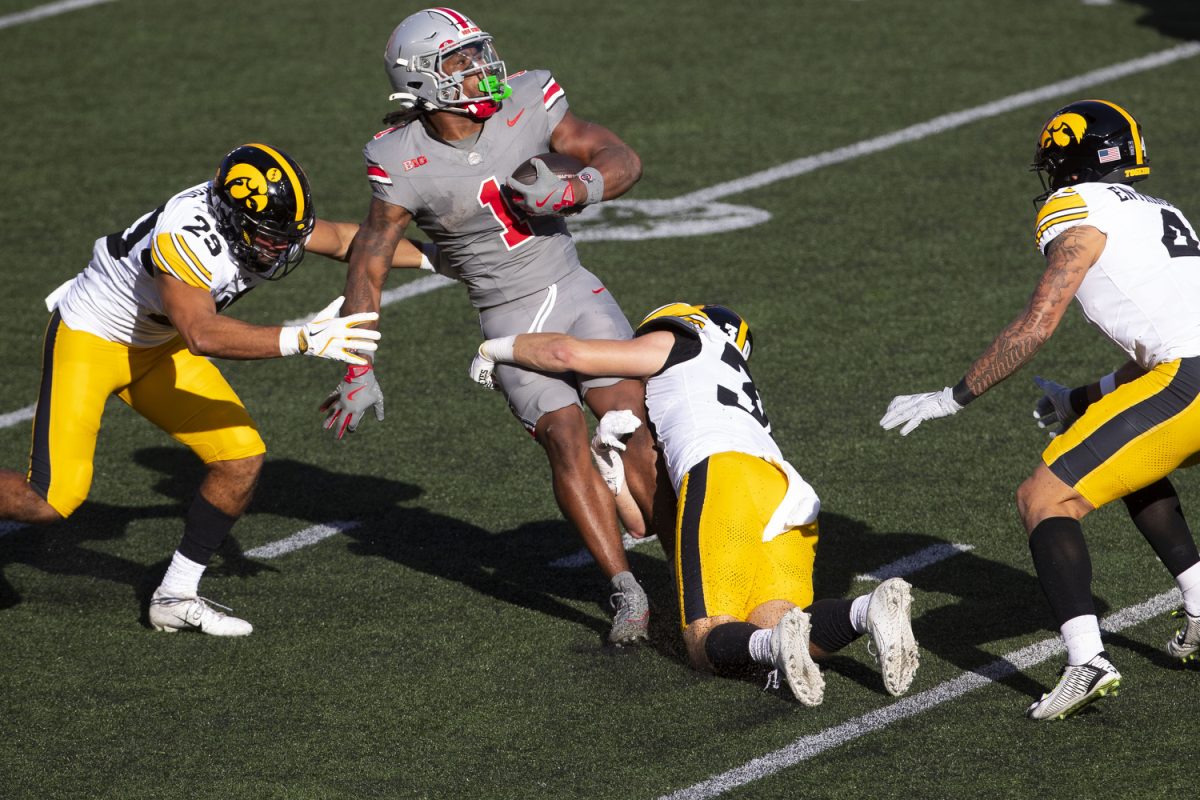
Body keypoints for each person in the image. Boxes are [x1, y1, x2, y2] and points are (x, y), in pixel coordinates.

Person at [322, 8, 659, 645]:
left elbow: (621, 157)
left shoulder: (529, 100)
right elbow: (369, 257)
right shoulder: (399, 157)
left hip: (573, 289)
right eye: (460, 61)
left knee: (634, 426)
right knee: (563, 436)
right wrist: (358, 364)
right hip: (504, 315)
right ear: (421, 79)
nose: (481, 68)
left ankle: (683, 557)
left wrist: (582, 187)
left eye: (479, 53)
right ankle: (625, 588)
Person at [0, 143, 432, 636]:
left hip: (159, 343)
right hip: (96, 339)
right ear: (230, 218)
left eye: (285, 235)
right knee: (48, 499)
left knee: (240, 459)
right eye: (269, 236)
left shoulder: (262, 214)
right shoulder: (185, 237)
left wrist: (436, 259)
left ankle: (175, 596)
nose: (279, 248)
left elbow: (341, 239)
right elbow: (201, 335)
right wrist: (304, 339)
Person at [880, 99, 1200, 720]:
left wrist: (954, 396)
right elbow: (1165, 341)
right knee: (1120, 451)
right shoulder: (1162, 212)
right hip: (1187, 374)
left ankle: (1086, 658)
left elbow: (1036, 324)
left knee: (1043, 498)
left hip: (1190, 382)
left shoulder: (1076, 208)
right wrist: (1080, 398)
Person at [470, 303, 920, 704]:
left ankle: (800, 635)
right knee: (778, 624)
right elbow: (642, 525)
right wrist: (611, 472)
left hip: (719, 476)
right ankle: (865, 612)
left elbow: (565, 355)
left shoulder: (682, 340)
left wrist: (495, 349)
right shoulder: (727, 378)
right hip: (784, 488)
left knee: (704, 642)